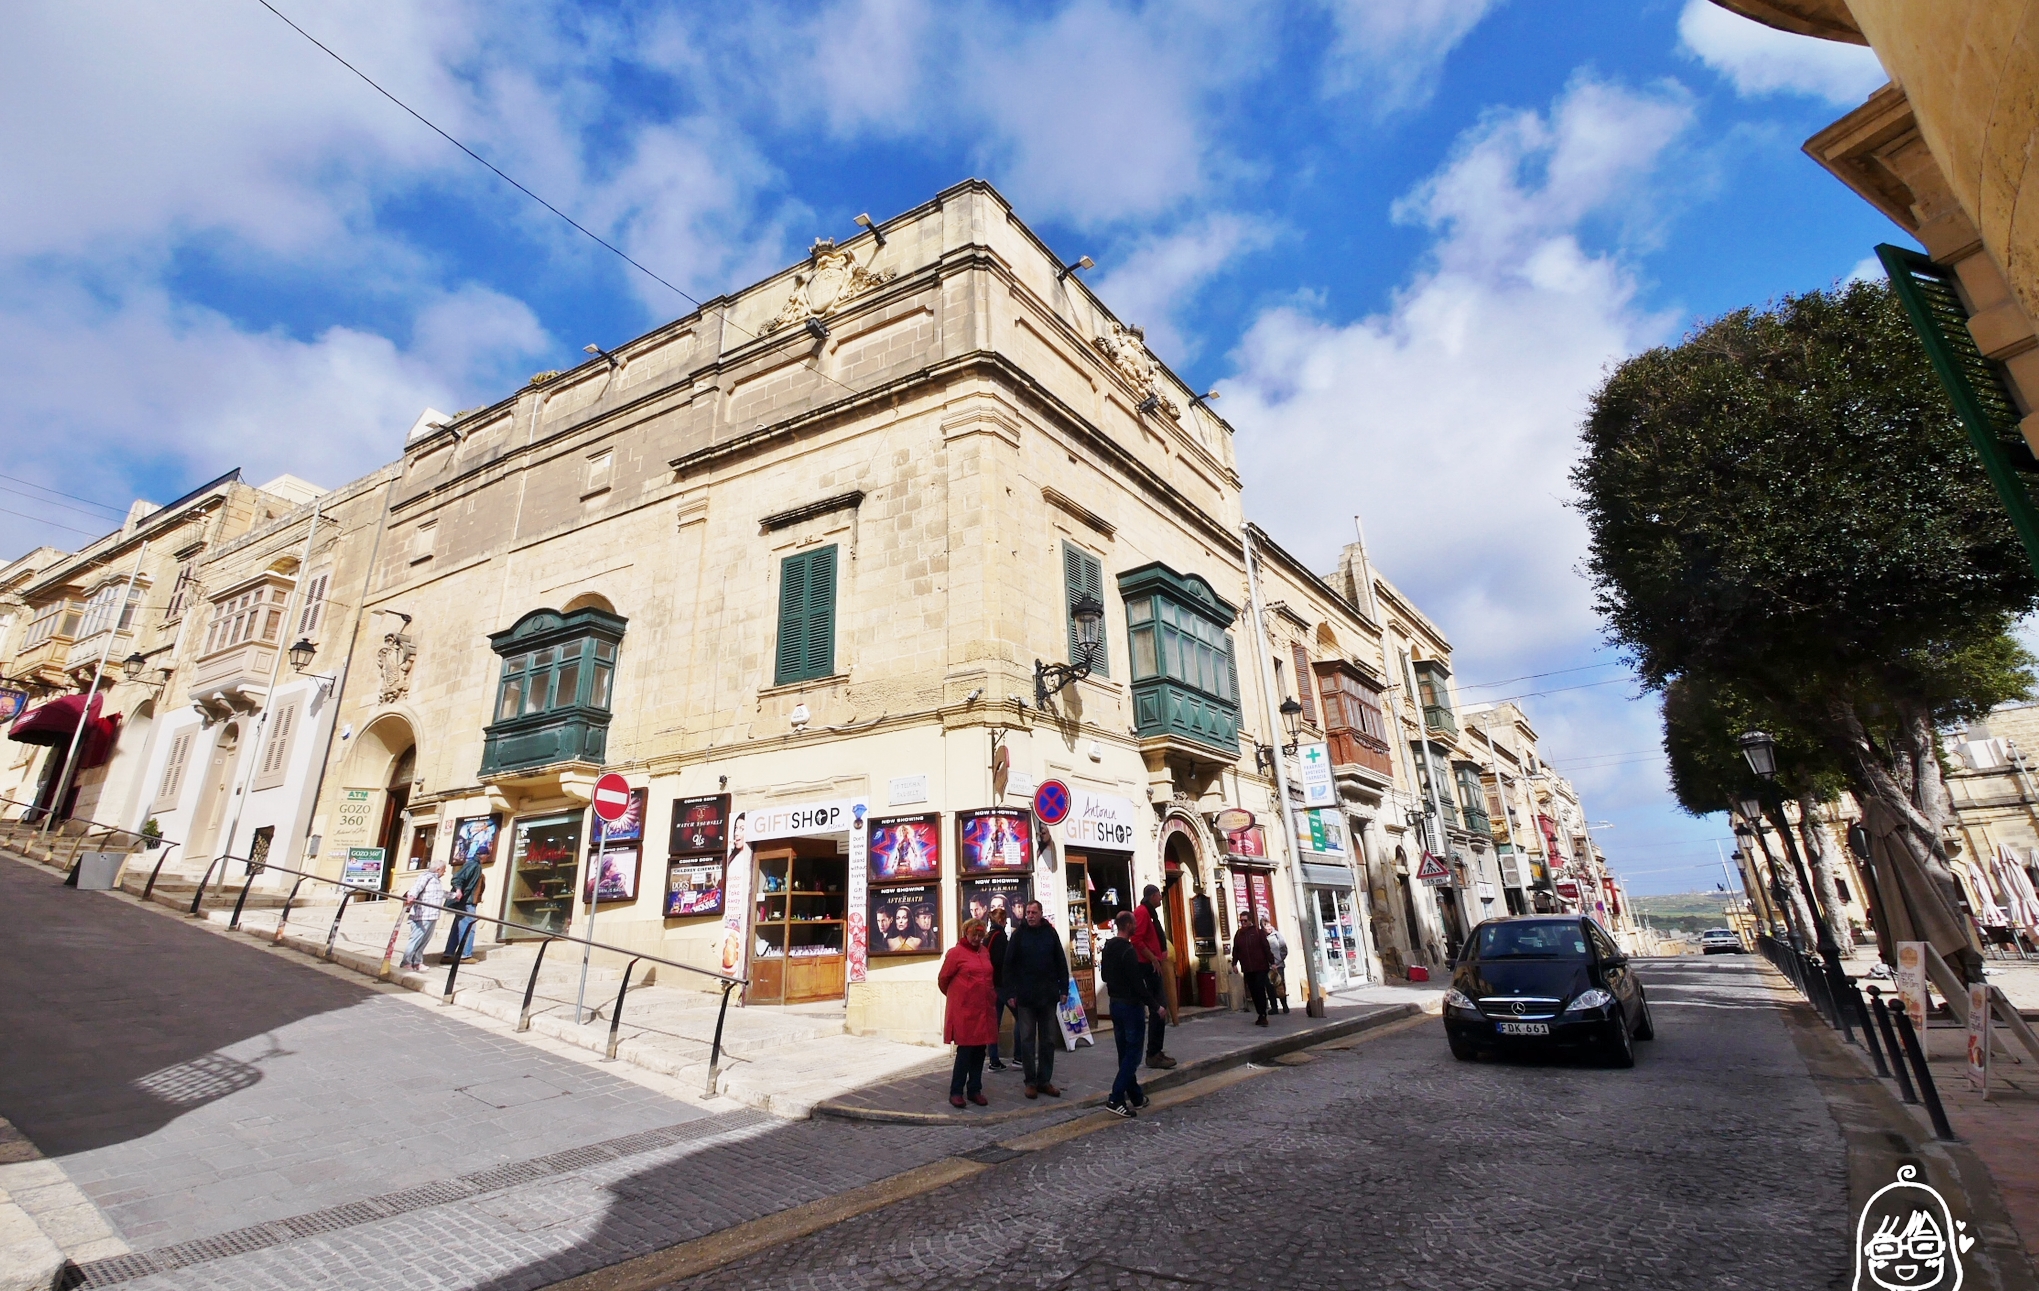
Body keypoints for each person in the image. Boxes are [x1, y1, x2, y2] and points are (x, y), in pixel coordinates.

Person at [1003, 900, 1069, 1098]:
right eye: (1028, 912)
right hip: (1026, 997)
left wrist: (1063, 989)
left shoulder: (1050, 933)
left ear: (1041, 914)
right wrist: (1010, 994)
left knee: (1048, 1040)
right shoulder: (1018, 935)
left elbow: (1060, 962)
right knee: (1027, 1040)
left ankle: (1045, 1080)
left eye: (1034, 912)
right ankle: (1030, 1081)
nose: (1030, 915)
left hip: (1048, 996)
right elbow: (1008, 966)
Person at [1099, 911, 1155, 1117]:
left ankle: (1136, 1096)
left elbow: (1104, 975)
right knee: (1133, 1054)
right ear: (1129, 925)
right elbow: (1137, 984)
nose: (1137, 926)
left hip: (1115, 1005)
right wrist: (1155, 1005)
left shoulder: (1108, 948)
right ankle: (1115, 1097)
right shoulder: (1128, 951)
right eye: (1134, 923)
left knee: (1124, 1053)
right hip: (1131, 1006)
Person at [938, 918, 997, 1107]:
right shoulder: (955, 954)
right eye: (974, 934)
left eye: (981, 935)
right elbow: (943, 979)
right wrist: (959, 996)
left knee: (980, 1051)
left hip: (984, 1010)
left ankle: (974, 1090)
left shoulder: (984, 952)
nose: (977, 938)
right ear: (966, 933)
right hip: (965, 1012)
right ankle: (956, 1091)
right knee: (965, 1052)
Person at [1130, 884, 1177, 1069]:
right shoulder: (1142, 912)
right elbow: (1136, 939)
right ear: (1152, 896)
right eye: (1159, 895)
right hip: (1147, 967)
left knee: (1161, 1008)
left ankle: (1156, 1051)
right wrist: (1153, 959)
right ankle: (1153, 1054)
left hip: (1154, 965)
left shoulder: (1150, 912)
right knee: (1159, 1008)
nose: (1161, 898)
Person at [441, 843, 485, 964]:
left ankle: (448, 954)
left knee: (457, 927)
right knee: (469, 926)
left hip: (465, 901)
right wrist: (459, 890)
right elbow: (457, 878)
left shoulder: (474, 864)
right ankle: (465, 955)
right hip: (466, 902)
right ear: (483, 855)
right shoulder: (473, 865)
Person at [400, 860, 447, 971]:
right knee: (416, 939)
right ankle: (406, 962)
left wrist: (454, 895)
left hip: (433, 915)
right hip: (422, 914)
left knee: (424, 940)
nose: (444, 872)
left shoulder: (437, 881)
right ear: (438, 869)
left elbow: (440, 893)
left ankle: (417, 962)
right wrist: (411, 896)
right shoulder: (426, 876)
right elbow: (417, 887)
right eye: (444, 870)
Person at [1232, 911, 1274, 1025]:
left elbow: (1266, 948)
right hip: (1247, 968)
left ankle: (1263, 1014)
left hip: (1260, 967)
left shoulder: (1258, 932)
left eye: (1245, 920)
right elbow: (1236, 949)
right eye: (1241, 921)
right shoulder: (1239, 934)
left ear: (1250, 920)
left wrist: (1272, 962)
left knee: (1260, 989)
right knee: (1253, 991)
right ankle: (1260, 1013)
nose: (1243, 923)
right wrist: (1234, 963)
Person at [984, 905, 1012, 1070]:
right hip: (1000, 985)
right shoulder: (999, 936)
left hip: (992, 985)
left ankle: (993, 1059)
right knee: (1022, 1017)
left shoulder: (989, 936)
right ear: (1001, 920)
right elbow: (1003, 962)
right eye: (1005, 920)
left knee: (993, 1023)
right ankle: (1018, 1057)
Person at [1265, 921, 1292, 1015]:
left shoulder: (1277, 935)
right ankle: (1274, 1007)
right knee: (1270, 987)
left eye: (1268, 925)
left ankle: (1284, 1005)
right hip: (1267, 966)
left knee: (1279, 985)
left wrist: (1279, 960)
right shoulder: (1263, 937)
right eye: (1265, 926)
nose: (1268, 928)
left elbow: (1284, 948)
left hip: (1278, 965)